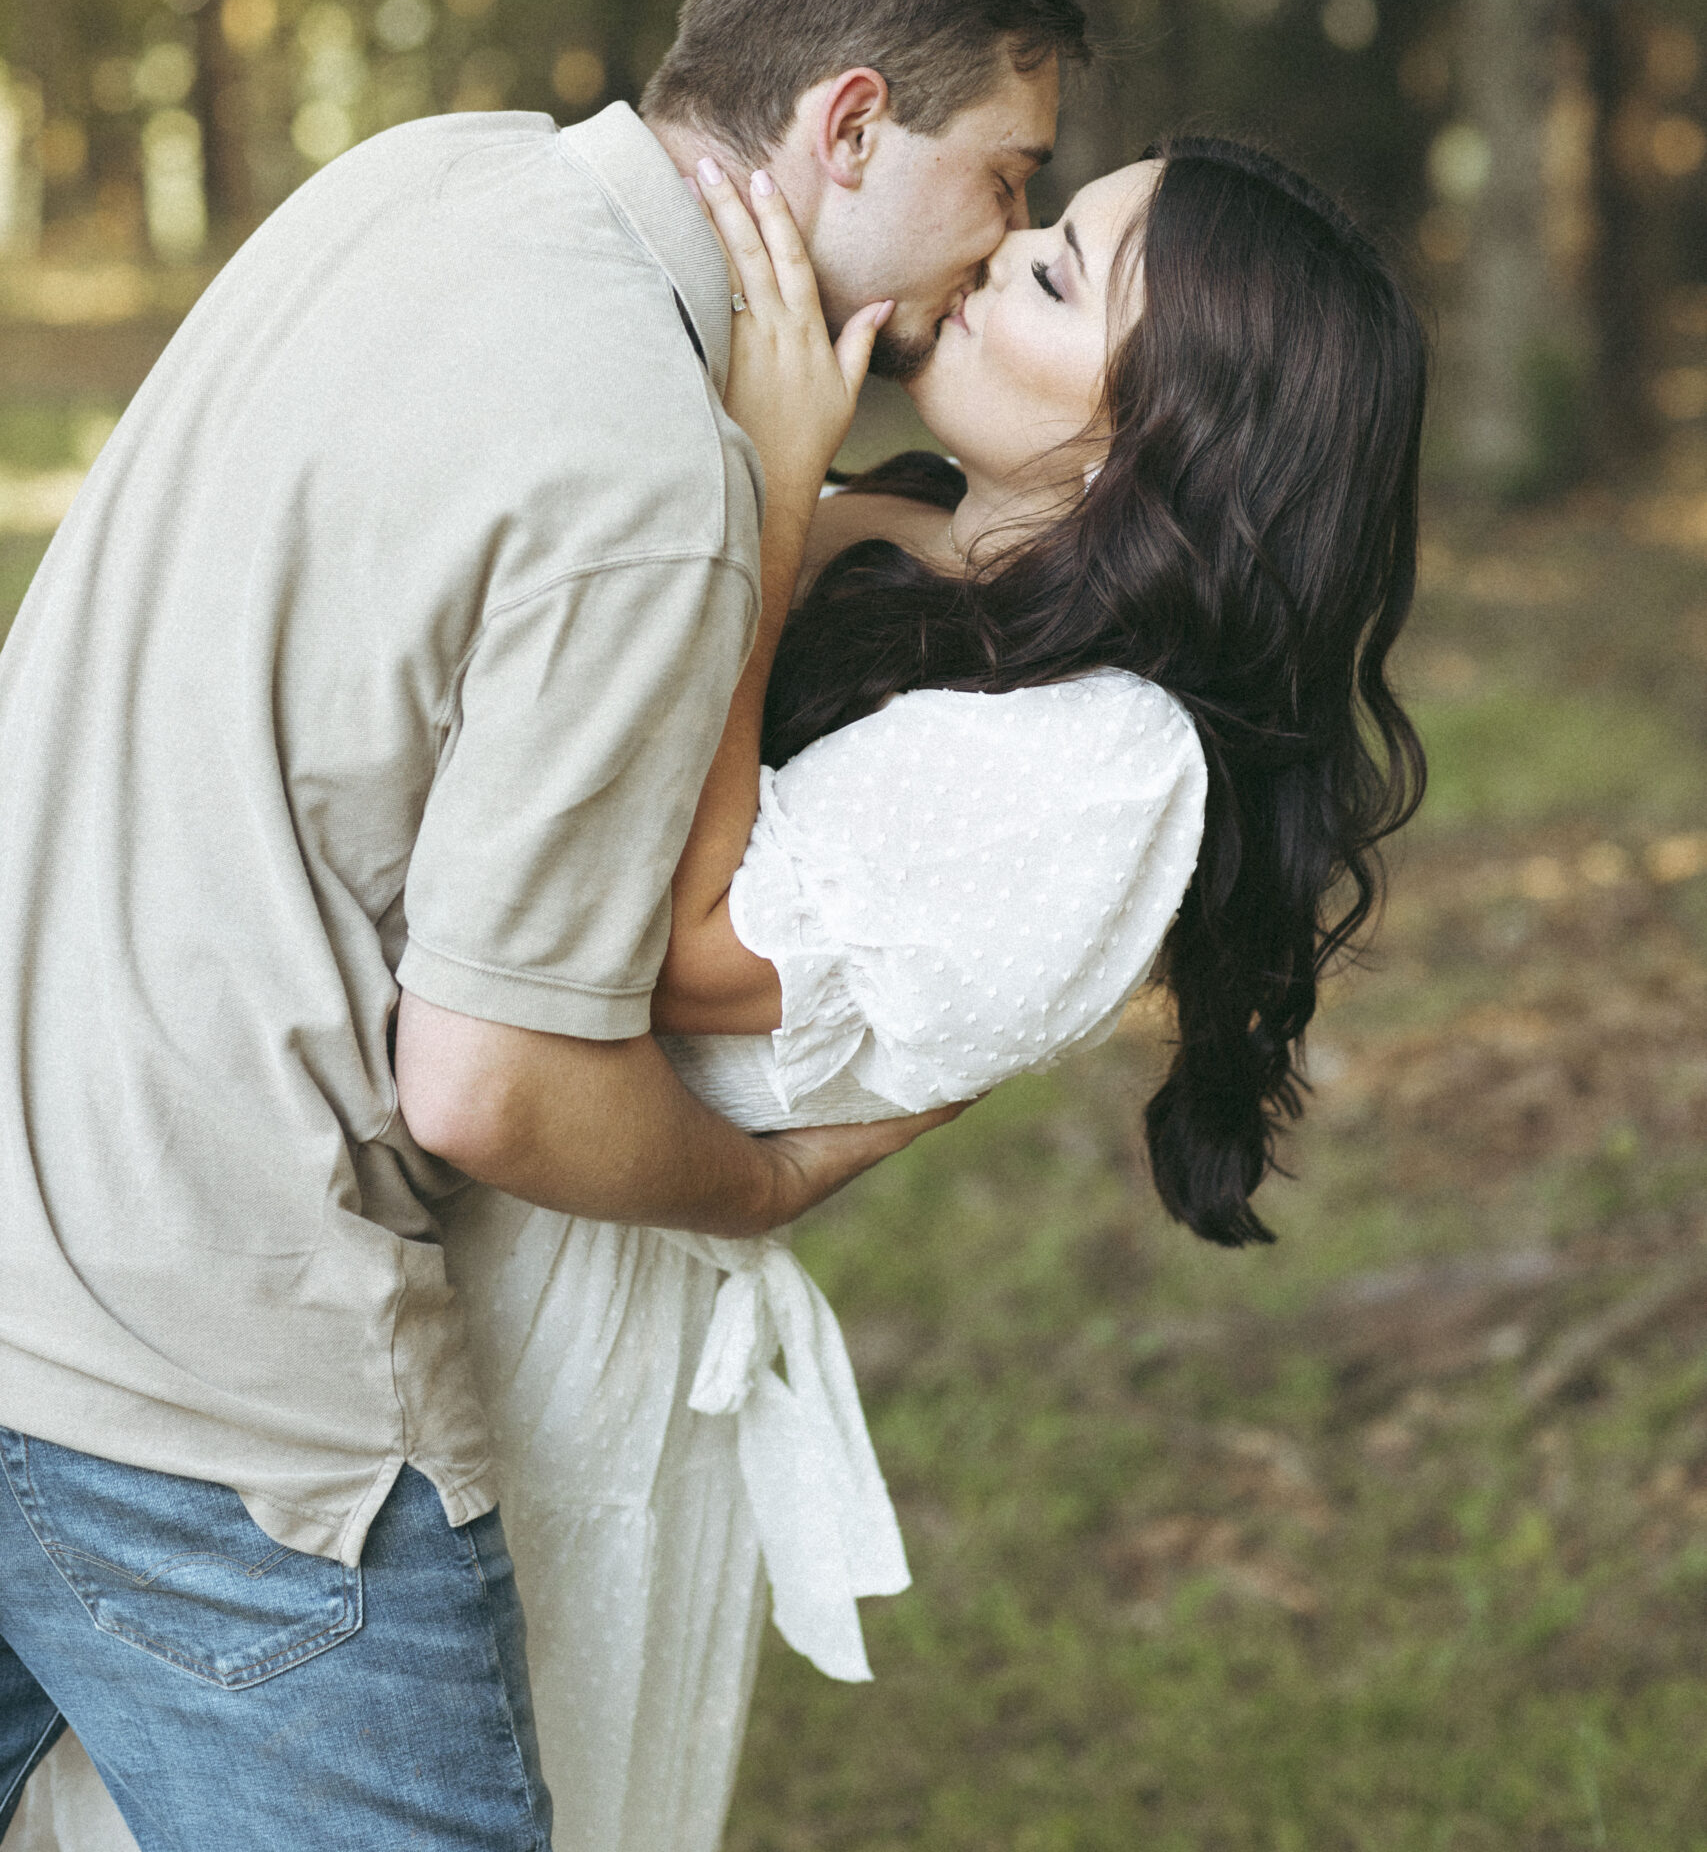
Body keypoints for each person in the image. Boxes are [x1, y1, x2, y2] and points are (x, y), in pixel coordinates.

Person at [21, 123, 1426, 1852]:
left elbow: (666, 952)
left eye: (1056, 272)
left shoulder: (1103, 766)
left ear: (1180, 438)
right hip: (304, 1238)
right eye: (1039, 217)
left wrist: (753, 492)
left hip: (541, 1339)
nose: (997, 255)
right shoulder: (900, 536)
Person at [0, 0, 1087, 1852]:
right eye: (1005, 177)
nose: (1004, 235)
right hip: (201, 1379)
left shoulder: (424, 177)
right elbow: (492, 1079)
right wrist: (755, 1183)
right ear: (848, 123)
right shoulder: (650, 478)